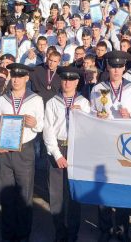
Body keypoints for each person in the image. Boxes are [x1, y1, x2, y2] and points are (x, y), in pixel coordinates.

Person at [0, 63, 44, 242]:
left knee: (24, 196)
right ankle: (7, 235)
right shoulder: (1, 100)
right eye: (14, 77)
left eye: (20, 77)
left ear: (27, 78)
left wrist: (35, 124)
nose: (16, 80)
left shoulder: (36, 99)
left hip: (24, 151)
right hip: (4, 151)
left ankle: (23, 235)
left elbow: (42, 125)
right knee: (6, 195)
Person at [90, 50, 131, 241]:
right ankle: (105, 229)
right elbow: (91, 112)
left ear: (124, 68)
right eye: (113, 66)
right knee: (103, 186)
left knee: (123, 187)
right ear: (107, 67)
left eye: (120, 67)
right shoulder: (97, 89)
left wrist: (130, 116)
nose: (116, 70)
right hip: (104, 143)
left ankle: (122, 229)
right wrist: (95, 115)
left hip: (124, 144)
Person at [43, 66, 91, 242]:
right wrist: (57, 155)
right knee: (56, 194)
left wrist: (82, 116)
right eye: (64, 79)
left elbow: (89, 131)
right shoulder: (52, 102)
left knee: (73, 194)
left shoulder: (84, 103)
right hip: (57, 148)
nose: (67, 83)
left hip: (76, 149)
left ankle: (72, 233)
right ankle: (59, 231)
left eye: (71, 80)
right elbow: (48, 130)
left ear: (77, 82)